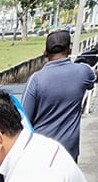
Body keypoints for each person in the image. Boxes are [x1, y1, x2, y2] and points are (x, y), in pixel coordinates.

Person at [21, 29, 95, 161]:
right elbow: (92, 79)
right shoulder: (83, 72)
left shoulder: (35, 80)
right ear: (69, 49)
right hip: (69, 154)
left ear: (45, 52)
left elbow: (24, 119)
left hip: (40, 152)